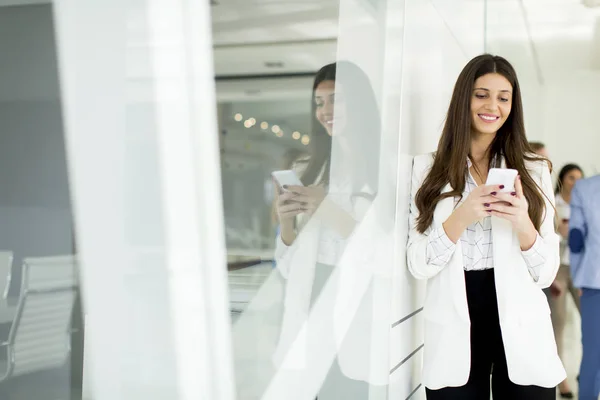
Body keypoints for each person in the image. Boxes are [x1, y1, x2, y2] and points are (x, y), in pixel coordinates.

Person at [407, 54, 565, 399]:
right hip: (455, 326)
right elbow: (418, 264)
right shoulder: (425, 170)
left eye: (503, 97)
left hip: (522, 325)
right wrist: (463, 215)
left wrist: (523, 222)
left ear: (512, 105)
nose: (492, 105)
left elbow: (545, 274)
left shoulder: (534, 169)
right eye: (481, 94)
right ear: (464, 98)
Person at [272, 61, 383, 399]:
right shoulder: (307, 169)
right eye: (319, 103)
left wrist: (326, 210)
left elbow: (385, 256)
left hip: (360, 304)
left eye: (336, 99)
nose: (326, 111)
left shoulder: (386, 171)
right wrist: (287, 223)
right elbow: (288, 268)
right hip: (312, 296)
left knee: (349, 389)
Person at [551, 163, 584, 398]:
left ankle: (587, 370)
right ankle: (562, 380)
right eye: (572, 177)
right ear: (563, 179)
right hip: (558, 269)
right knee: (558, 327)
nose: (576, 182)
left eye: (580, 178)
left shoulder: (587, 205)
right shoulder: (551, 202)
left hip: (581, 270)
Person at [569, 175, 600, 400]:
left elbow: (576, 239)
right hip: (592, 281)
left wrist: (577, 277)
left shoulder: (585, 188)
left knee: (592, 353)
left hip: (593, 279)